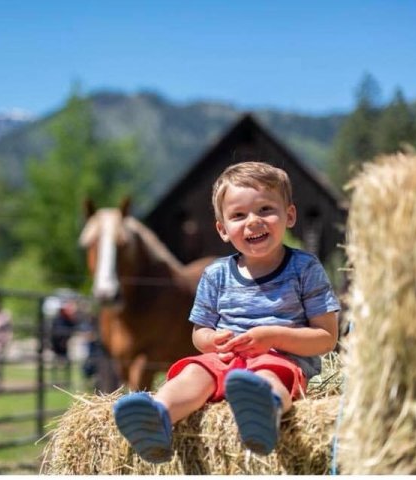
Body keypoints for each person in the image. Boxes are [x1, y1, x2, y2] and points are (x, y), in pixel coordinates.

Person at [112, 161, 340, 462]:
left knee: (270, 374)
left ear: (290, 216)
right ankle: (158, 417)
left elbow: (326, 338)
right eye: (238, 215)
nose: (253, 221)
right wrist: (212, 341)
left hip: (282, 359)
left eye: (265, 210)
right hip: (225, 359)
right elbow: (199, 333)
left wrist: (273, 337)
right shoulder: (215, 274)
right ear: (222, 229)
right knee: (193, 371)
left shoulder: (305, 268)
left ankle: (264, 412)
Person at [49, 300, 78, 386]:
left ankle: (65, 381)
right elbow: (55, 333)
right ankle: (55, 382)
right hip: (57, 345)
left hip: (64, 345)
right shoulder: (58, 319)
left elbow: (73, 326)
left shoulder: (68, 320)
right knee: (56, 364)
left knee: (65, 364)